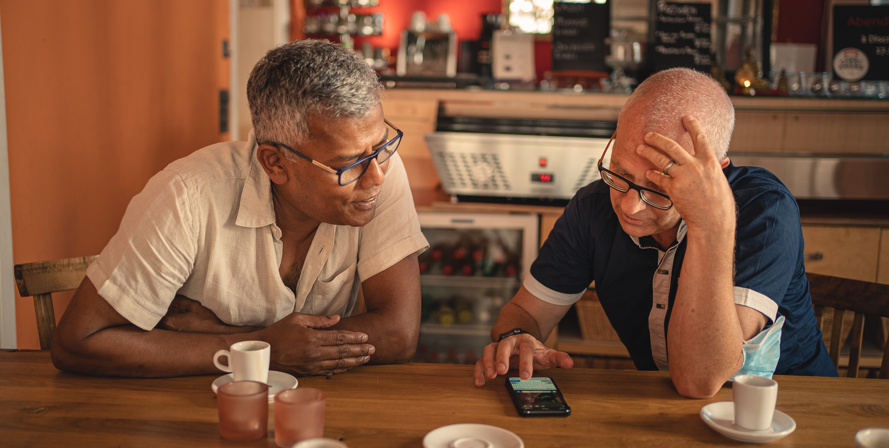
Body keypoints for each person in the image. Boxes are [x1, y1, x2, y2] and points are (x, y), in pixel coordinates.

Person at [52, 40, 429, 377]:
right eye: (348, 164)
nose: (376, 175)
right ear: (275, 163)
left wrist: (234, 338)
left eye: (381, 145)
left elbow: (398, 333)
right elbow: (78, 342)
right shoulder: (188, 195)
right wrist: (266, 350)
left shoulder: (379, 169)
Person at [474, 67, 836, 398]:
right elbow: (526, 311)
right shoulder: (593, 207)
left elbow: (700, 378)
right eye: (620, 174)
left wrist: (709, 222)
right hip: (667, 412)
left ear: (715, 173)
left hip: (798, 411)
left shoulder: (766, 210)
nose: (630, 207)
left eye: (660, 188)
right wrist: (517, 337)